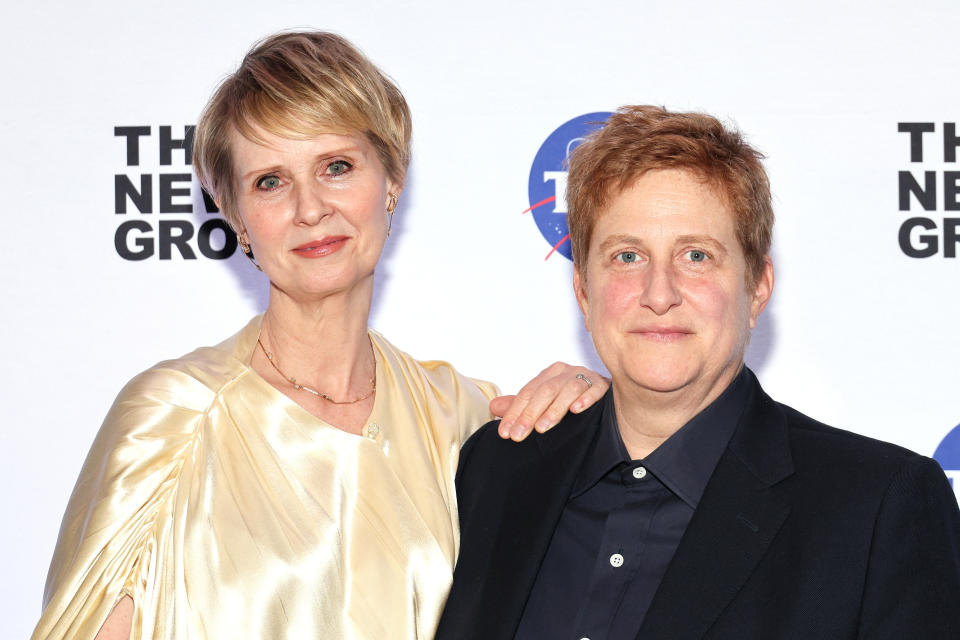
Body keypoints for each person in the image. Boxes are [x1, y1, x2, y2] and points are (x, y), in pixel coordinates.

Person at [32, 32, 608, 640]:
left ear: (392, 180)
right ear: (235, 216)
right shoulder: (173, 417)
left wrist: (601, 411)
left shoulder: (461, 418)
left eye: (336, 167)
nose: (310, 208)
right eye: (270, 182)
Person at [437, 105, 960, 639]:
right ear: (583, 291)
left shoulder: (877, 508)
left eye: (696, 255)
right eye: (626, 257)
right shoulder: (498, 469)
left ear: (757, 287)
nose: (659, 294)